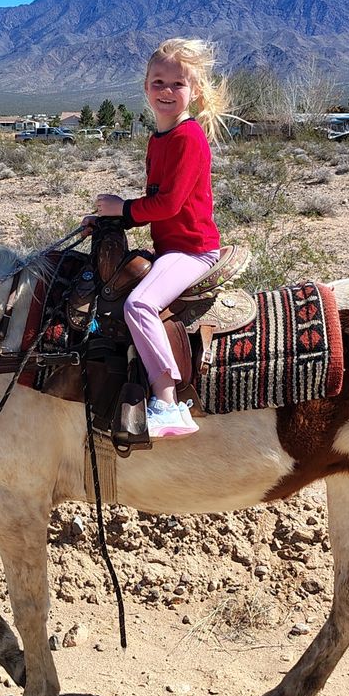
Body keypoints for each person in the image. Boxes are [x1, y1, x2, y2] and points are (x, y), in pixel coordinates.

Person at [92, 38, 226, 438]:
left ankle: (167, 401)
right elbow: (157, 202)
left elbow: (168, 204)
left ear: (194, 91)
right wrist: (110, 219)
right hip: (173, 247)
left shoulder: (188, 138)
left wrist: (124, 209)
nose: (166, 91)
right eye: (158, 82)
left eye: (177, 84)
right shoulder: (160, 138)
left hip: (193, 250)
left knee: (139, 305)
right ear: (146, 87)